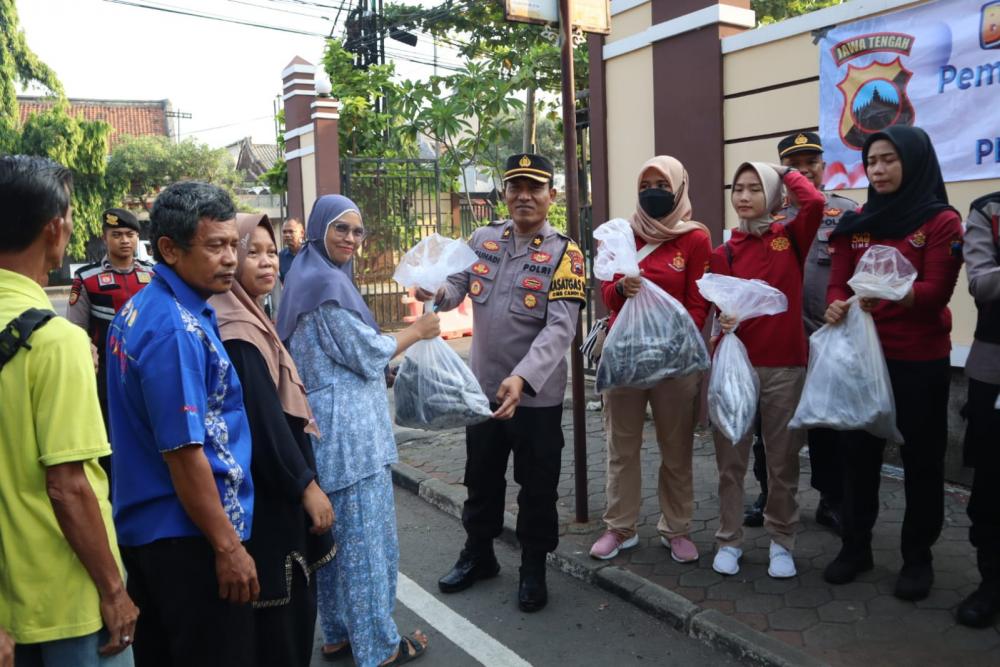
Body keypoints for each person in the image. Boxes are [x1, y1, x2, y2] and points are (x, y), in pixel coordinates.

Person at [276, 195, 434, 667]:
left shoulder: (307, 276)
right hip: (352, 439)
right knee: (367, 547)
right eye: (340, 229)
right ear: (321, 228)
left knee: (335, 546)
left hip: (328, 430)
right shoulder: (324, 285)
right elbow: (366, 352)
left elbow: (335, 357)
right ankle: (379, 647)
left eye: (356, 231)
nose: (349, 239)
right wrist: (418, 331)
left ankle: (340, 632)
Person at [106, 181, 259, 667]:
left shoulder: (145, 308)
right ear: (169, 250)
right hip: (188, 539)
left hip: (155, 534)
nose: (231, 258)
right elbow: (184, 452)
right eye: (215, 246)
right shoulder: (174, 327)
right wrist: (227, 547)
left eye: (233, 244)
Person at [425, 153, 587, 612]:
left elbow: (560, 329)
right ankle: (479, 555)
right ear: (504, 194)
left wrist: (522, 378)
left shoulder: (565, 254)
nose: (524, 196)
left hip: (534, 398)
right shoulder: (483, 239)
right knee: (481, 478)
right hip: (481, 393)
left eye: (535, 187)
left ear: (551, 196)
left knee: (537, 487)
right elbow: (455, 285)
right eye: (515, 186)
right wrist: (432, 290)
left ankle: (534, 568)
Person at [0, 155, 138, 665]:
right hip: (64, 599)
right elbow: (68, 484)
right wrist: (113, 591)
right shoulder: (55, 341)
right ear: (54, 229)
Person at [823, 126, 963, 602]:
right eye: (872, 161)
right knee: (856, 456)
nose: (878, 170)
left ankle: (917, 558)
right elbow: (838, 282)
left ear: (914, 161)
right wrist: (837, 304)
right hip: (863, 358)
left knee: (921, 461)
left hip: (919, 360)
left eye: (889, 160)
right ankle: (855, 547)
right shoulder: (858, 222)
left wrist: (884, 291)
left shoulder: (941, 222)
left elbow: (934, 294)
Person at [208, 213, 337, 664]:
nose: (266, 263)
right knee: (280, 628)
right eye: (252, 253)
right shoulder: (238, 332)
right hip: (267, 499)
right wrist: (307, 486)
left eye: (269, 253)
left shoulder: (251, 315)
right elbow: (264, 426)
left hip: (271, 491)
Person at [589, 156, 712, 563]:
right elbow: (606, 295)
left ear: (679, 189)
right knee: (621, 446)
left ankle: (675, 529)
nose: (653, 191)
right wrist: (622, 288)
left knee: (675, 447)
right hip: (625, 356)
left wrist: (671, 342)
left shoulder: (695, 238)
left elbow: (698, 304)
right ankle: (620, 527)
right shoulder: (622, 233)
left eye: (662, 184)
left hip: (673, 363)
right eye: (646, 184)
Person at [707, 161, 824, 578]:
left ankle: (781, 541)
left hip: (786, 367)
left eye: (755, 188)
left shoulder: (790, 239)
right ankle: (729, 539)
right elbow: (717, 308)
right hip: (736, 368)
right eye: (738, 188)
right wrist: (723, 325)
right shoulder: (723, 253)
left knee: (783, 460)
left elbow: (814, 201)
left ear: (772, 195)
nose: (744, 196)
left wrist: (785, 170)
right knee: (731, 460)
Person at [743, 132, 858, 532]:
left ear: (824, 166)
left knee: (828, 426)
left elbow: (859, 272)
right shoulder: (767, 217)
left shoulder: (846, 213)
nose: (804, 169)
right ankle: (769, 494)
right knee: (769, 428)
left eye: (811, 162)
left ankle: (830, 499)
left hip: (828, 339)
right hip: (778, 342)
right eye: (793, 165)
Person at [67, 208, 154, 433]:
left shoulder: (154, 276)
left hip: (148, 371)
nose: (124, 240)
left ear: (137, 237)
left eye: (130, 234)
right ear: (104, 237)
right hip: (105, 377)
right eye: (116, 235)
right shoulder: (87, 278)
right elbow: (75, 331)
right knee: (110, 438)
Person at [957, 191, 1000, 627]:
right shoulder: (989, 209)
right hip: (994, 366)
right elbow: (981, 282)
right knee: (990, 484)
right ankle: (991, 582)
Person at [279, 217, 304, 281]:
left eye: (291, 231)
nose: (287, 235)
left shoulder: (312, 253)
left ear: (302, 233)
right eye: (284, 232)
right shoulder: (280, 257)